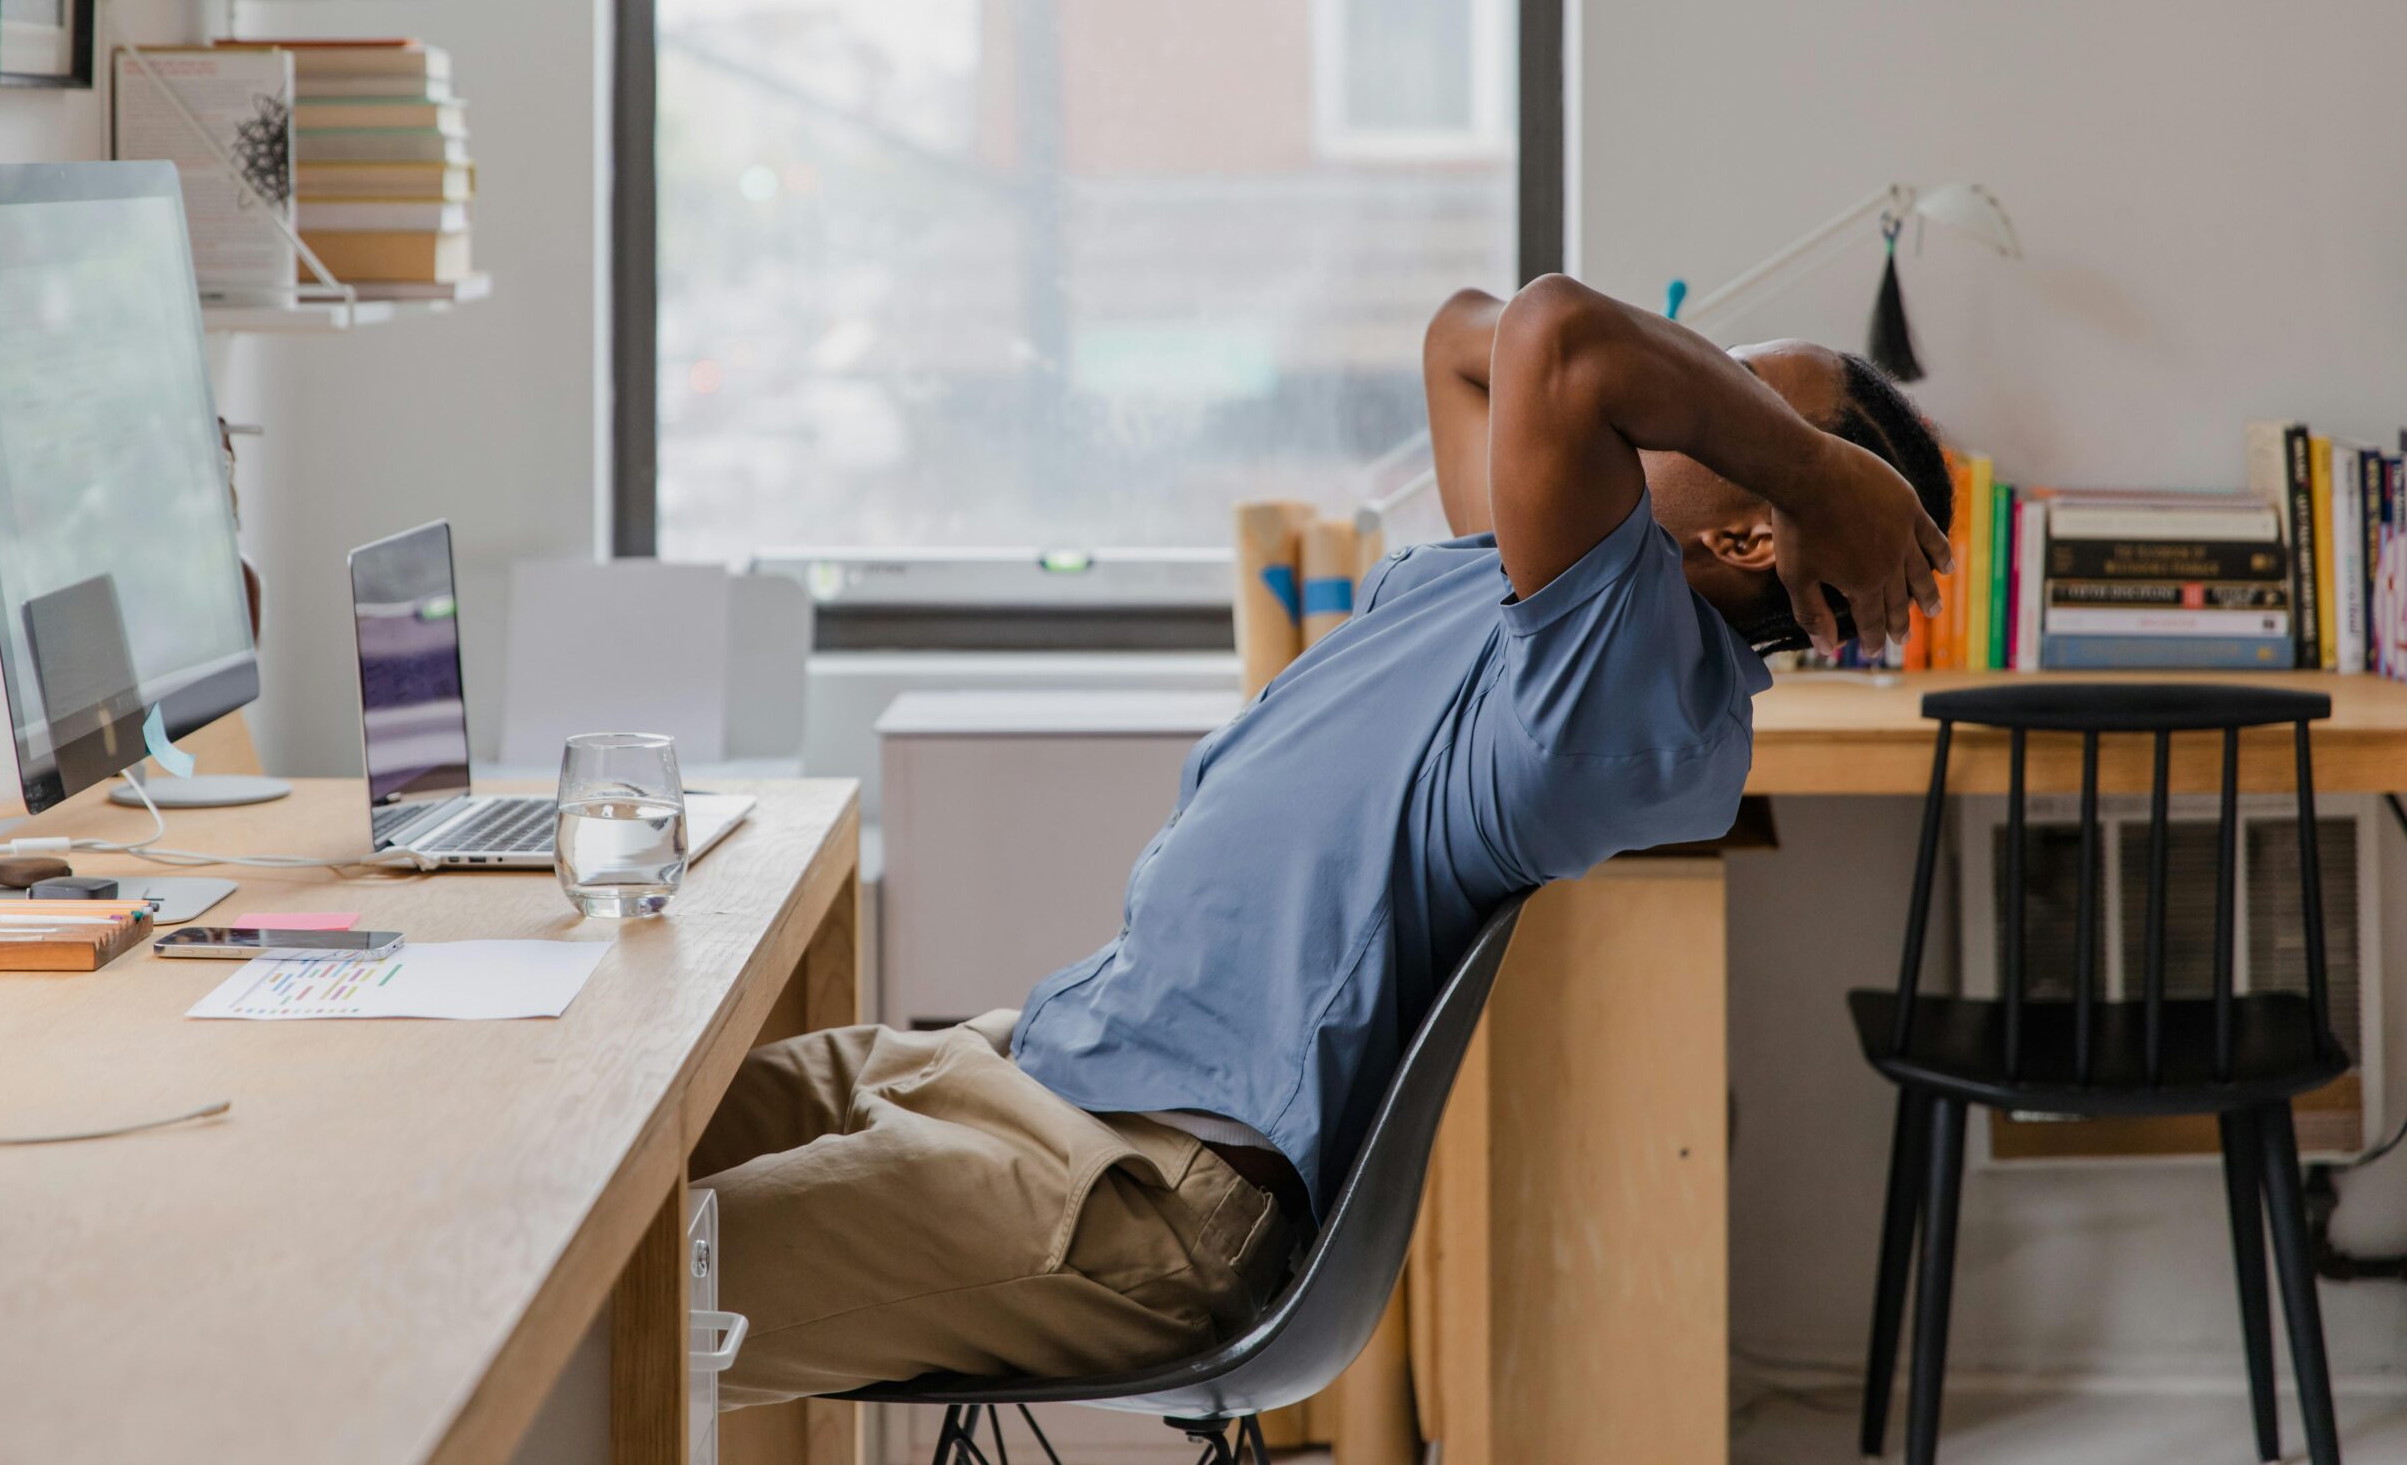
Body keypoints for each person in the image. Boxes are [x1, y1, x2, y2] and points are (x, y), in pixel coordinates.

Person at [695, 275, 1957, 1408]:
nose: (1712, 385)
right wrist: (1800, 462)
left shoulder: (1634, 698)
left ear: (1752, 533)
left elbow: (1557, 342)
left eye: (1745, 398)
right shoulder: (1522, 586)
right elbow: (1463, 342)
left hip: (1137, 1191)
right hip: (1023, 1068)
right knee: (606, 1160)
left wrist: (1815, 472)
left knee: (591, 1296)